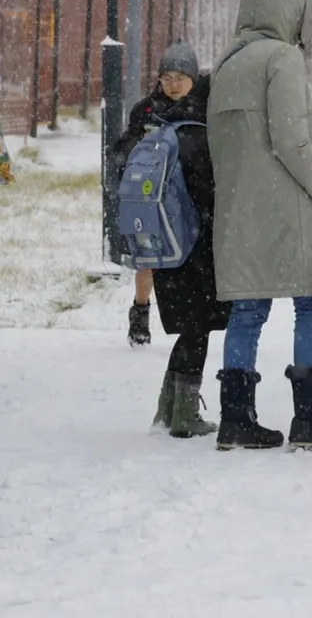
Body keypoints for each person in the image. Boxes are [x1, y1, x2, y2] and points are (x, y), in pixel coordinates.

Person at [208, 0, 312, 451]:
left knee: (248, 308)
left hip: (237, 209)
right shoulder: (282, 59)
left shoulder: (227, 63)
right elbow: (293, 142)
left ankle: (236, 418)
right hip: (286, 209)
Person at [113, 42, 229, 437]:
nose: (172, 84)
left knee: (192, 324)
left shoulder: (176, 119)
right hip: (190, 235)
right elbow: (208, 186)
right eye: (166, 78)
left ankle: (170, 406)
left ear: (193, 78)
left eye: (179, 78)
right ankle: (183, 415)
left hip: (165, 234)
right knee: (198, 324)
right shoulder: (194, 121)